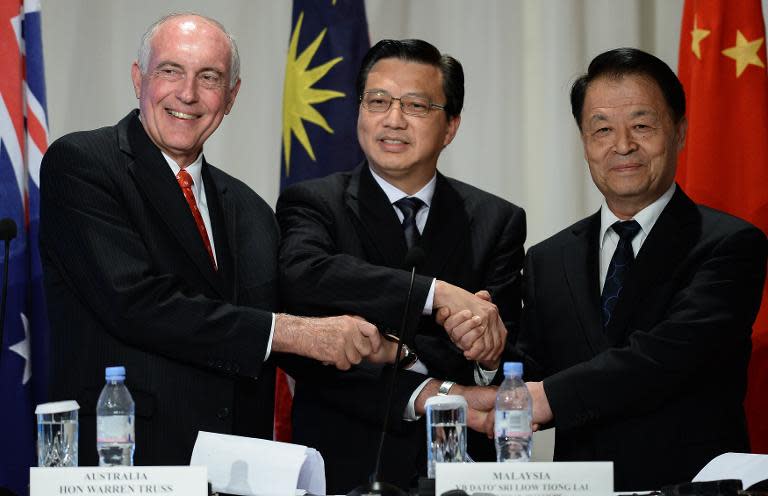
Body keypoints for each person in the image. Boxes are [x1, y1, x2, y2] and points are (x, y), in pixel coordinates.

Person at [39, 13, 383, 465]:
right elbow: (138, 304)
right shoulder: (82, 165)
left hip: (240, 471)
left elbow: (299, 338)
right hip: (129, 467)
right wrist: (293, 331)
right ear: (138, 78)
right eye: (170, 71)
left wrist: (433, 391)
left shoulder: (252, 211)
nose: (188, 93)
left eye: (210, 77)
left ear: (232, 95)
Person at [507, 48, 766, 490]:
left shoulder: (730, 244)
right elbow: (528, 369)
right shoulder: (548, 259)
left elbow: (665, 356)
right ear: (585, 142)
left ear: (680, 132)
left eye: (642, 126)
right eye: (602, 129)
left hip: (691, 485)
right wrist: (487, 355)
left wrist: (542, 398)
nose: (622, 145)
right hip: (578, 488)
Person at [276, 39, 526, 492]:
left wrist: (484, 355)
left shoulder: (496, 221)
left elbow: (508, 354)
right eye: (378, 101)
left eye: (415, 105)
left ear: (450, 126)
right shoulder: (314, 204)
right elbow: (303, 284)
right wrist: (437, 296)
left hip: (464, 469)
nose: (393, 119)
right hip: (347, 466)